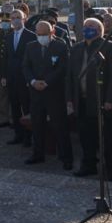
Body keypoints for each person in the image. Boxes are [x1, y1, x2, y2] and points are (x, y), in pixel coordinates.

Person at [66, 18, 112, 181]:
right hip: (82, 101)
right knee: (85, 136)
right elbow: (70, 76)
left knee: (105, 138)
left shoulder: (110, 47)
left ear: (100, 30)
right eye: (85, 26)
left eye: (91, 26)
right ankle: (89, 165)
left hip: (102, 101)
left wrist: (111, 99)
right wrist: (70, 99)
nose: (87, 29)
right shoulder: (76, 48)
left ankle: (108, 168)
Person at [22, 21, 73, 170]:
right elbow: (26, 66)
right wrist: (32, 81)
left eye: (45, 34)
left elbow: (63, 68)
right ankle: (38, 154)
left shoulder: (61, 46)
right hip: (36, 92)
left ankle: (66, 157)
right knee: (37, 124)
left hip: (54, 92)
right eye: (39, 34)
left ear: (52, 33)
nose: (42, 37)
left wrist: (47, 82)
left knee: (60, 126)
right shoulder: (31, 46)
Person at [5, 9, 36, 146]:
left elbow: (34, 61)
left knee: (27, 108)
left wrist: (31, 79)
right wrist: (5, 76)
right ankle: (18, 134)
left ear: (24, 19)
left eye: (18, 17)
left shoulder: (31, 36)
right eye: (13, 18)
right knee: (15, 107)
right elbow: (7, 58)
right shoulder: (9, 36)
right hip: (12, 78)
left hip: (25, 79)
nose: (16, 20)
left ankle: (29, 137)